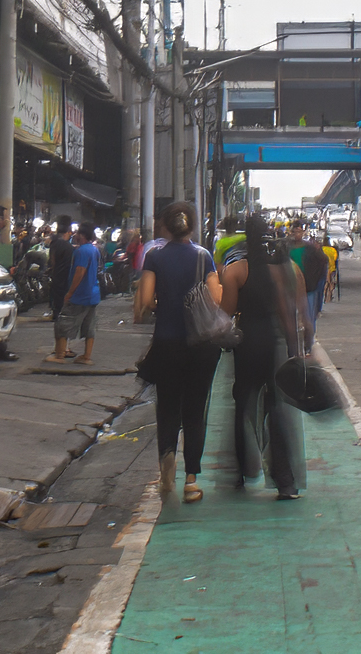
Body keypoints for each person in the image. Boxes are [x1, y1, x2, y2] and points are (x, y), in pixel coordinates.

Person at [134, 201, 222, 503]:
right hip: (201, 345)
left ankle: (166, 462)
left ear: (167, 227)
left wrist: (162, 302)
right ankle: (192, 481)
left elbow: (145, 300)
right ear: (192, 227)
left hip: (167, 343)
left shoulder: (154, 256)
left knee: (167, 406)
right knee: (195, 410)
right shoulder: (203, 256)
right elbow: (216, 296)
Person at [218, 214, 310, 500]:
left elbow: (226, 312)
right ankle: (285, 481)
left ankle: (242, 473)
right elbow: (304, 317)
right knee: (277, 410)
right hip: (278, 347)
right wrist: (304, 348)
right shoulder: (290, 270)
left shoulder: (236, 271)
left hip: (247, 345)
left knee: (243, 405)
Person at [48, 224, 102, 365]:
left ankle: (59, 355)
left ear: (82, 235)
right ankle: (87, 357)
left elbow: (80, 272)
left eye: (77, 233)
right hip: (93, 294)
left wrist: (70, 292)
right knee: (89, 326)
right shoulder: (94, 250)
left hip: (80, 295)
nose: (74, 235)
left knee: (62, 324)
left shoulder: (81, 251)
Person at [47, 216, 74, 324]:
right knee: (63, 295)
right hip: (66, 275)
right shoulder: (68, 246)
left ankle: (57, 314)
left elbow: (52, 259)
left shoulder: (54, 243)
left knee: (57, 295)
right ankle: (61, 314)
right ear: (67, 232)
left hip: (57, 274)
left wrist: (52, 269)